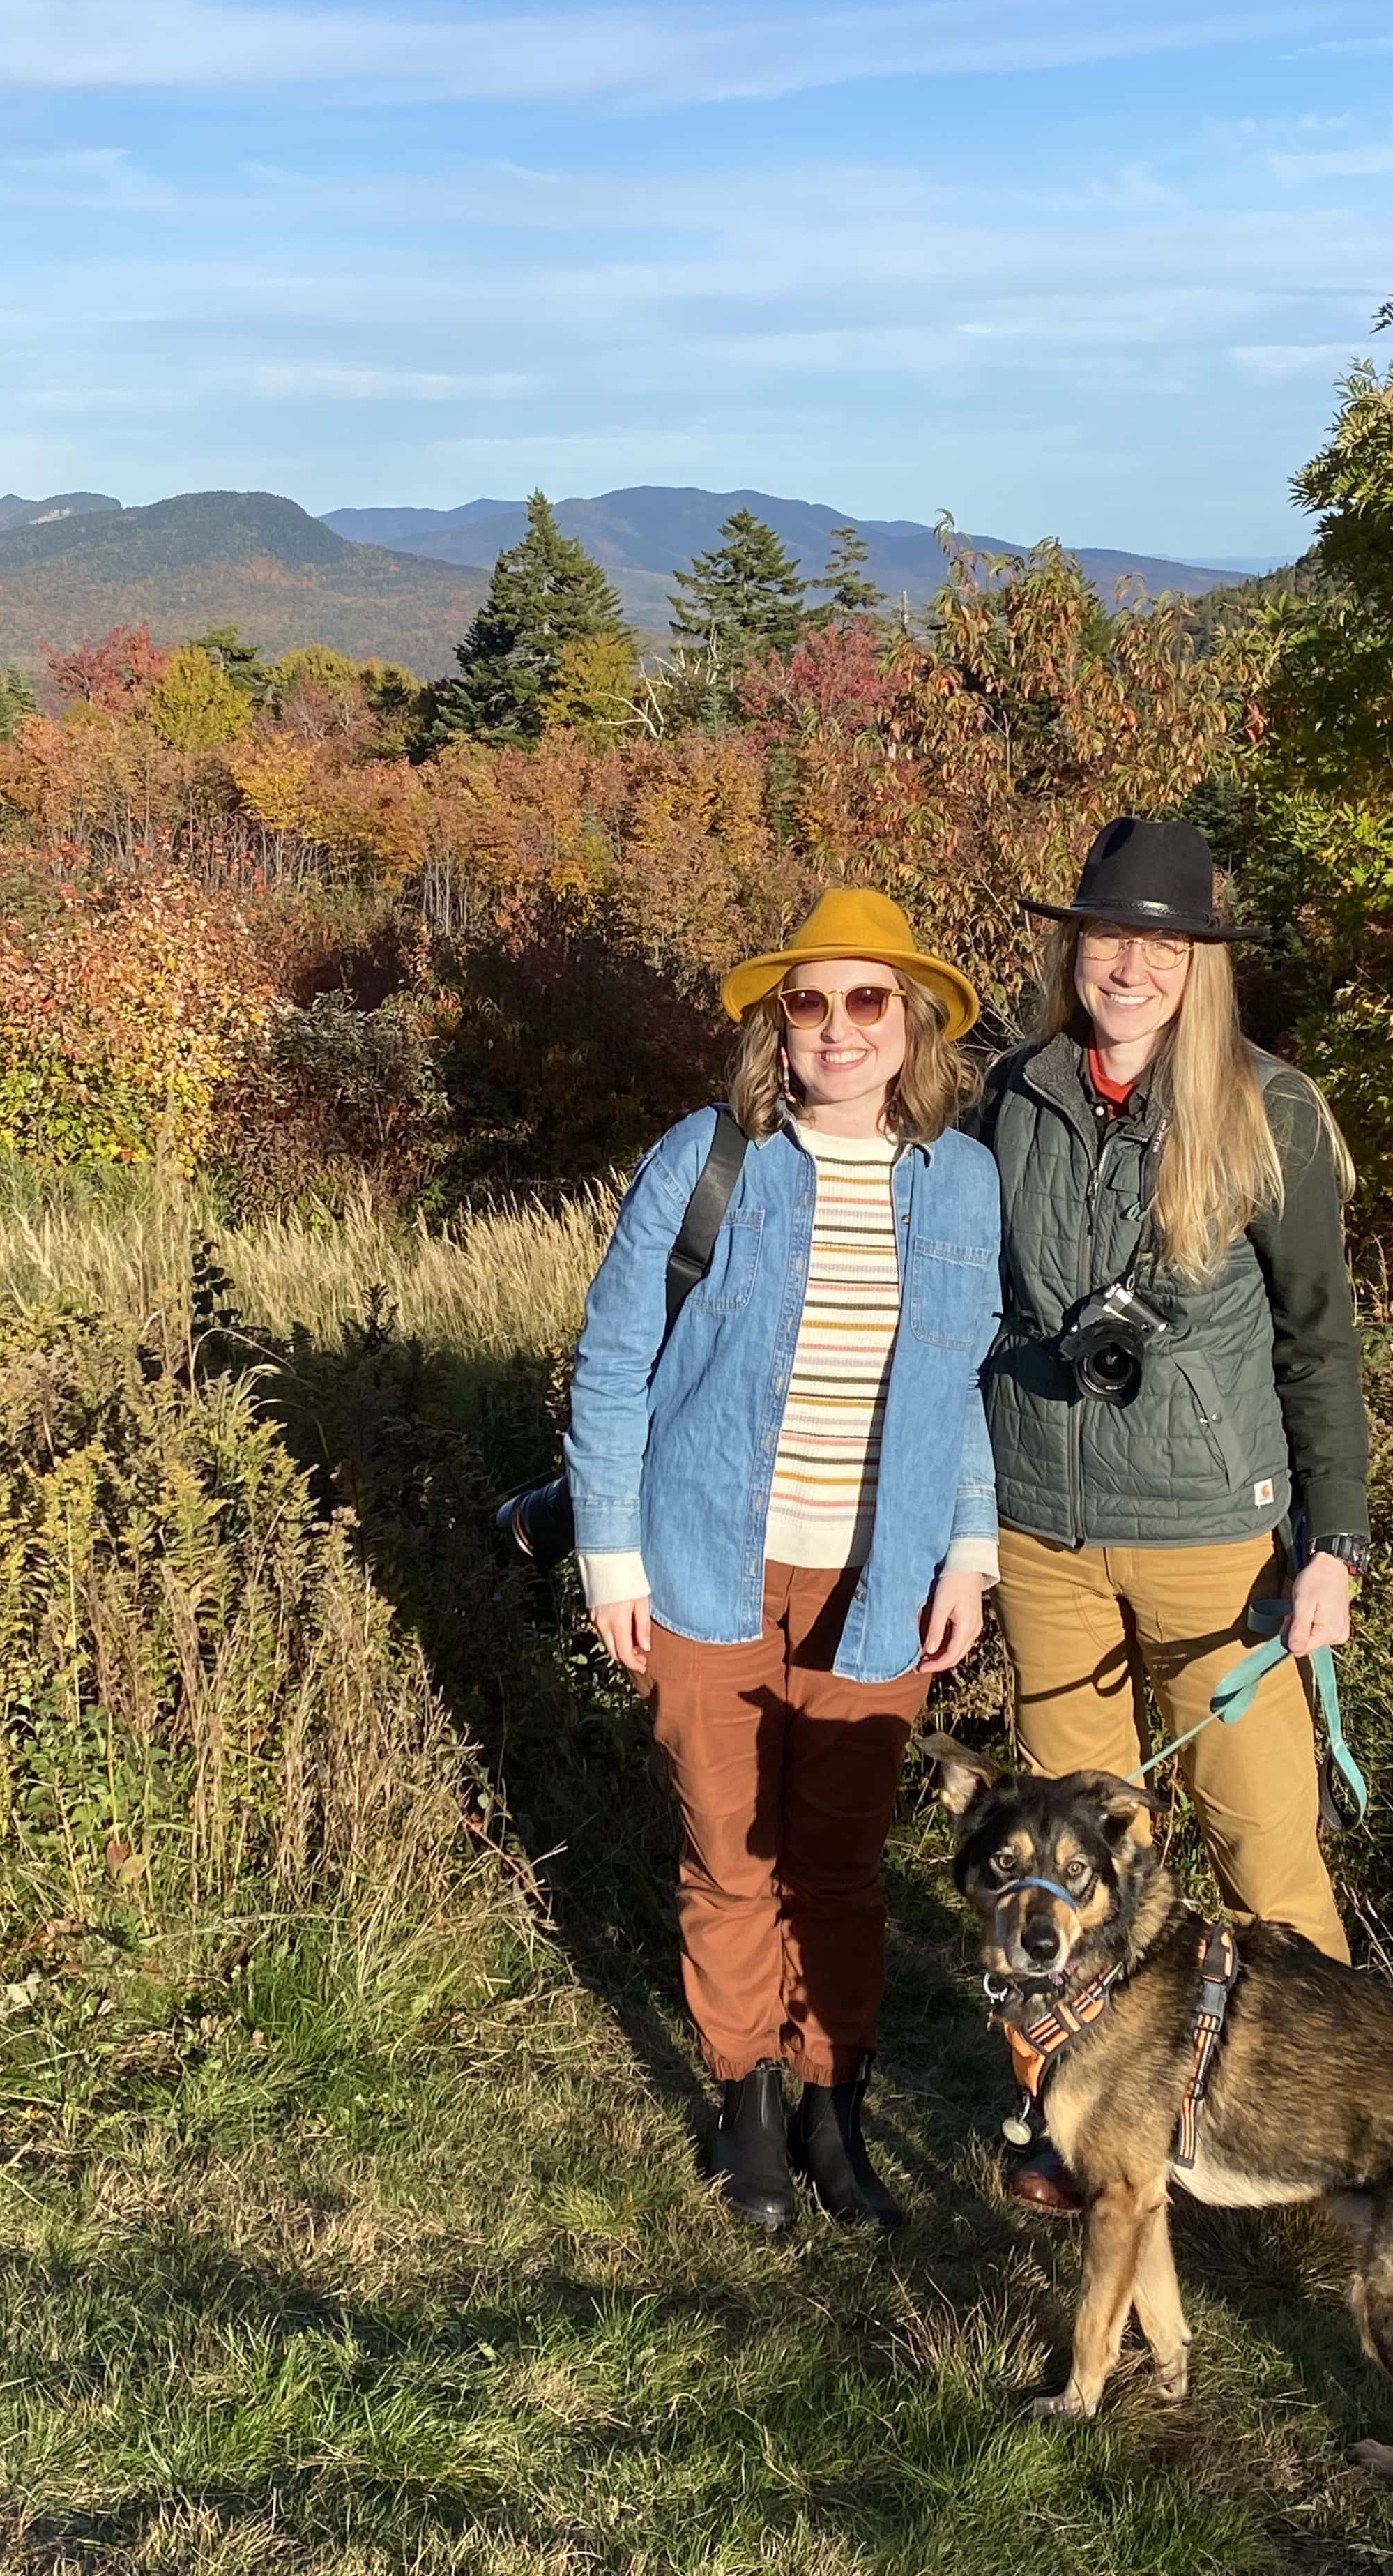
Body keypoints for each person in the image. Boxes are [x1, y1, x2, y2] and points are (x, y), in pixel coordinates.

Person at [564, 888, 1002, 2232]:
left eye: (869, 999)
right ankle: (747, 2101)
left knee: (841, 1865)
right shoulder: (708, 1160)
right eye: (808, 1001)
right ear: (777, 1027)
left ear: (915, 1022)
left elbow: (963, 1381)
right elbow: (614, 1368)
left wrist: (969, 1551)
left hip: (881, 1581)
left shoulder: (963, 1181)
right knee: (727, 1857)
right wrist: (610, 1559)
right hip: (706, 1562)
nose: (838, 1028)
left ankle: (835, 2108)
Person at [973, 816, 1370, 2209]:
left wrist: (1334, 1544)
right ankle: (1070, 2129)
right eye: (1106, 936)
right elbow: (970, 1306)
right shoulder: (1011, 1097)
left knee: (1267, 1850)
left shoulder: (1271, 1113)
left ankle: (1319, 2152)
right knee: (1069, 1881)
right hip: (1041, 1535)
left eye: (1160, 941)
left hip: (1218, 1545)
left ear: (1202, 962)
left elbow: (1321, 1344)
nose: (1128, 964)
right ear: (1072, 946)